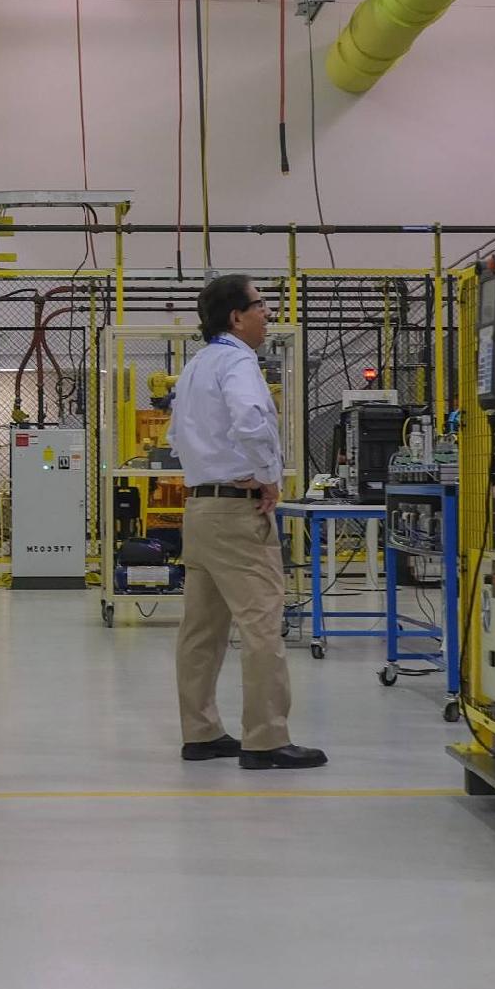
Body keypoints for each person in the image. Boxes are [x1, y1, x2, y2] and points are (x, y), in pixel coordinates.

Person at [166, 274, 325, 769]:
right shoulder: (237, 359)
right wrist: (267, 476)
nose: (268, 313)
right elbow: (252, 418)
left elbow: (176, 435)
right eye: (261, 305)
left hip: (199, 509)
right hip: (238, 511)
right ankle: (266, 739)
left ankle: (201, 732)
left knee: (201, 629)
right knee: (261, 624)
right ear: (236, 317)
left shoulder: (196, 365)